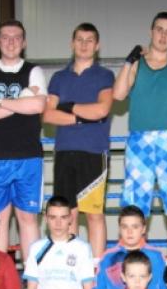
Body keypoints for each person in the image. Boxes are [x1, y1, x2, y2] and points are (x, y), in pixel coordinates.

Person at [112, 11, 167, 246]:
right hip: (139, 141)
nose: (163, 35)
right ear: (151, 32)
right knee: (136, 206)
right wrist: (128, 62)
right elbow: (118, 94)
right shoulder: (137, 64)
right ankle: (135, 261)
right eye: (159, 29)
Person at [0, 19, 47, 263]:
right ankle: (1, 278)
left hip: (28, 157)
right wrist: (19, 104)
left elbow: (37, 105)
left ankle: (32, 276)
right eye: (5, 37)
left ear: (23, 43)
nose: (11, 42)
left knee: (28, 218)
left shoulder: (34, 72)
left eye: (16, 37)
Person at [42, 22, 114, 262]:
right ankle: (70, 265)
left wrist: (68, 107)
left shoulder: (105, 75)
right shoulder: (59, 77)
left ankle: (96, 268)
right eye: (80, 39)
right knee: (67, 213)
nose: (84, 44)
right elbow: (48, 114)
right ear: (72, 43)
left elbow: (102, 110)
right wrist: (82, 118)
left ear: (97, 45)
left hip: (94, 151)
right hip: (64, 152)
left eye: (89, 40)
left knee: (94, 214)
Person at [93, 205, 167, 289]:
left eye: (135, 227)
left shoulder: (156, 257)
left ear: (144, 229)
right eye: (125, 227)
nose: (129, 232)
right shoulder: (108, 257)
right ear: (119, 229)